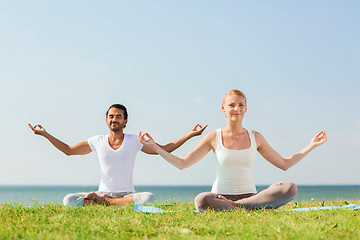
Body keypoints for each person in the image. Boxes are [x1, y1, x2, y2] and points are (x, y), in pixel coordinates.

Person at [138, 90, 327, 212]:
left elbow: (284, 164)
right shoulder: (213, 137)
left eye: (241, 105)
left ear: (246, 109)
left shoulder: (256, 137)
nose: (237, 108)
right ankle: (242, 207)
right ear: (223, 109)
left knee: (290, 187)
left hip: (252, 197)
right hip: (220, 197)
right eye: (232, 105)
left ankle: (237, 206)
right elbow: (182, 164)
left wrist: (312, 145)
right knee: (202, 200)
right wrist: (155, 146)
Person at [29, 104, 207, 207]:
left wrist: (189, 135)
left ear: (125, 121)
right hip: (103, 191)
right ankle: (105, 200)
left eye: (119, 117)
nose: (115, 119)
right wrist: (45, 134)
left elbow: (165, 149)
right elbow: (68, 150)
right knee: (68, 200)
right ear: (106, 120)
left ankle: (103, 203)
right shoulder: (97, 141)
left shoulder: (135, 140)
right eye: (111, 116)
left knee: (149, 198)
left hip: (127, 195)